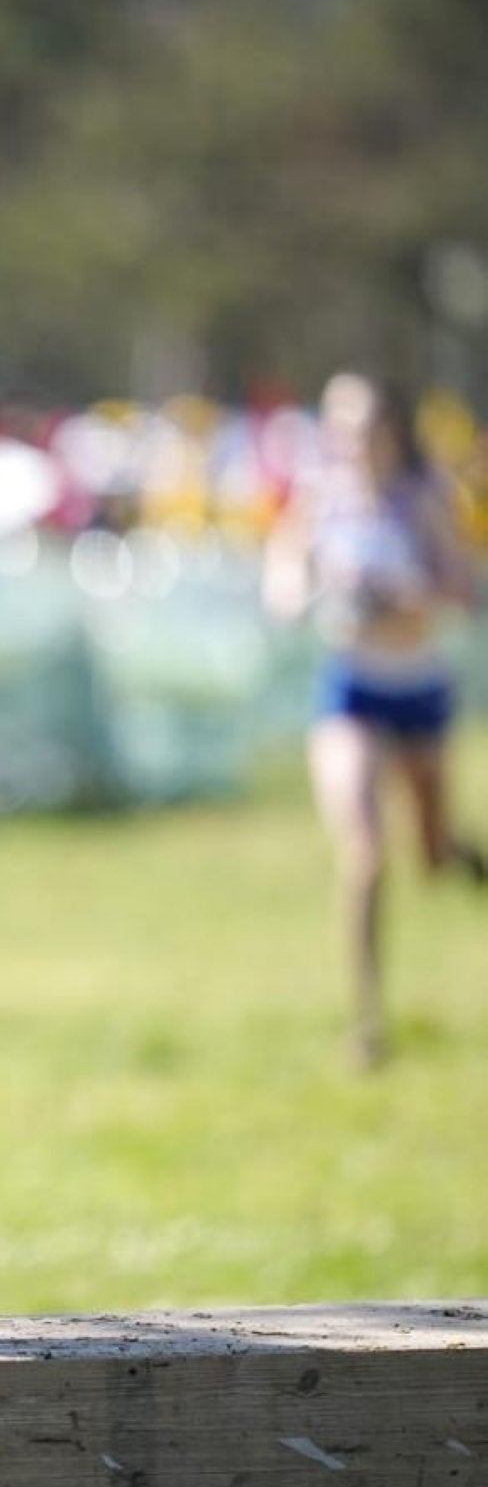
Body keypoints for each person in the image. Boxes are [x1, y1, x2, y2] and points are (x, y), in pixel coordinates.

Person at [264, 371, 484, 1066]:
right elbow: (285, 577)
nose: (351, 441)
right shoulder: (320, 500)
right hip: (351, 692)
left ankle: (468, 859)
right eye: (339, 425)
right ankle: (368, 1024)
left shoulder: (421, 500)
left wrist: (409, 594)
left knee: (433, 856)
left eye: (364, 426)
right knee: (364, 854)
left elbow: (464, 590)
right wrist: (303, 594)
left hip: (419, 692)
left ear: (391, 431)